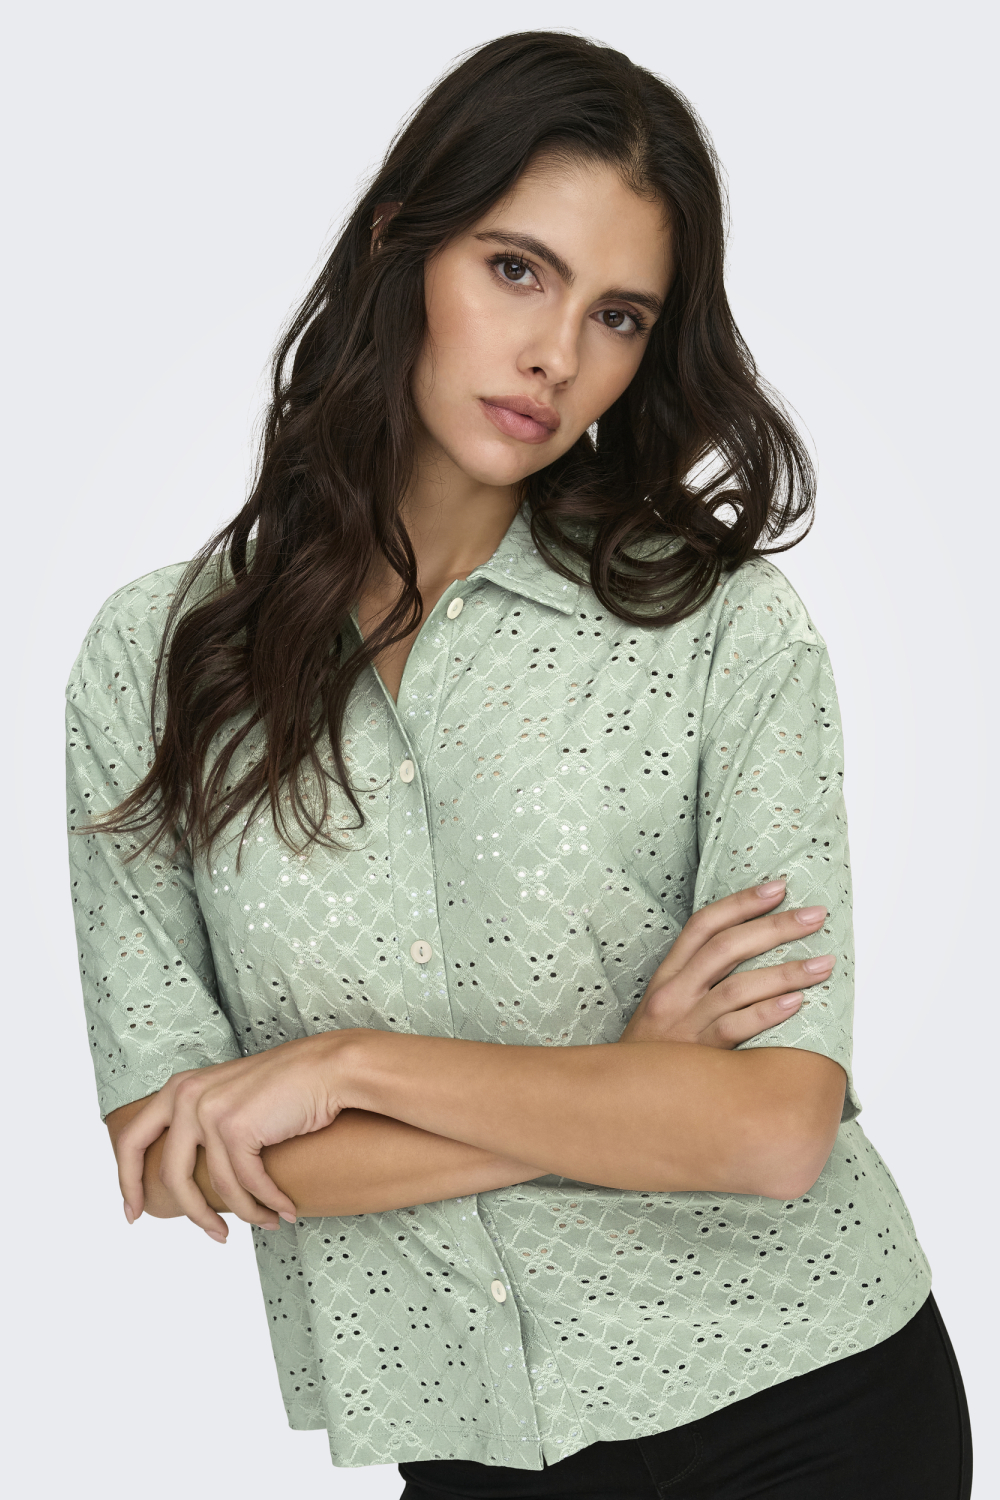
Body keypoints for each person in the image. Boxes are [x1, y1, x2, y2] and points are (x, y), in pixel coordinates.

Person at [65, 31, 972, 1500]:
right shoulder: (156, 662)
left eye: (618, 315)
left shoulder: (721, 629)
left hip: (809, 1399)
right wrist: (632, 1089)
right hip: (469, 1438)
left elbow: (772, 1130)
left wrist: (343, 1073)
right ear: (401, 249)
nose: (558, 355)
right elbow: (179, 1154)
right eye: (515, 270)